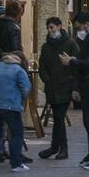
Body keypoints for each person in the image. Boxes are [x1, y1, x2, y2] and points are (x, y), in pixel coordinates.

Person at [60, 12, 89, 170]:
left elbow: (88, 62)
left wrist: (71, 61)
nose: (78, 30)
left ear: (86, 24)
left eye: (79, 27)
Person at [0, 51, 32, 172]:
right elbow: (26, 88)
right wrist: (20, 100)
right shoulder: (18, 70)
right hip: (11, 107)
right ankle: (16, 164)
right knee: (16, 134)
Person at [38, 17, 79, 160]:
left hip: (65, 86)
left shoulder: (70, 44)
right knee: (57, 118)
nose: (50, 30)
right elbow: (42, 65)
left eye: (52, 27)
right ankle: (55, 147)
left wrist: (75, 87)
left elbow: (77, 67)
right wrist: (46, 79)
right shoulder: (46, 47)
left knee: (59, 117)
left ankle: (63, 148)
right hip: (52, 87)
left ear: (60, 27)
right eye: (48, 28)